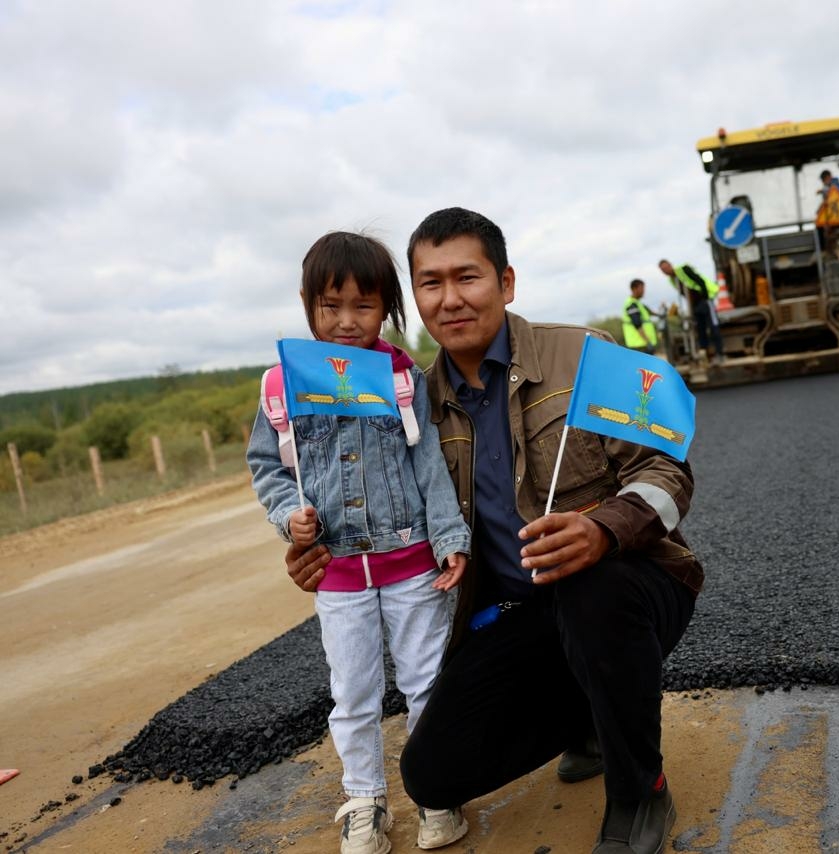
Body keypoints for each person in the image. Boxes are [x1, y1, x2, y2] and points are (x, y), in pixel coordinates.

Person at [286, 209, 703, 854]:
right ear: (415, 300)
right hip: (518, 612)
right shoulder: (413, 408)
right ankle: (592, 714)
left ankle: (638, 790)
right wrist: (315, 547)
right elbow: (377, 507)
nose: (450, 299)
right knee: (431, 774)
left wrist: (604, 531)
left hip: (630, 586)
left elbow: (666, 472)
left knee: (593, 591)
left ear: (506, 282)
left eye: (467, 277)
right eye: (430, 283)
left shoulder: (584, 356)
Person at [247, 231, 472, 854]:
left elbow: (429, 461)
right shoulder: (281, 386)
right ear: (306, 303)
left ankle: (436, 791)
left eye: (364, 306)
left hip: (411, 566)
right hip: (340, 573)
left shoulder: (402, 379)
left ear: (388, 307)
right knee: (353, 693)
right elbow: (268, 468)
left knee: (427, 682)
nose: (347, 321)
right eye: (330, 306)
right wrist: (289, 515)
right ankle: (366, 800)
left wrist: (449, 536)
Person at [657, 259, 723, 363]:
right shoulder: (672, 280)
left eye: (666, 268)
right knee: (700, 329)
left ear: (670, 265)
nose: (666, 271)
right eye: (663, 270)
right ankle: (705, 355)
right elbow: (684, 294)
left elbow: (700, 281)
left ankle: (720, 354)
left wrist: (705, 297)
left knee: (713, 327)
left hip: (704, 299)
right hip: (695, 304)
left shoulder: (683, 269)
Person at [622, 278, 659, 355]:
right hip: (639, 345)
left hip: (642, 345)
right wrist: (648, 342)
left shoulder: (638, 303)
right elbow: (637, 324)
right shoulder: (631, 304)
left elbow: (650, 312)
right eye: (642, 288)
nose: (644, 291)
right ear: (634, 289)